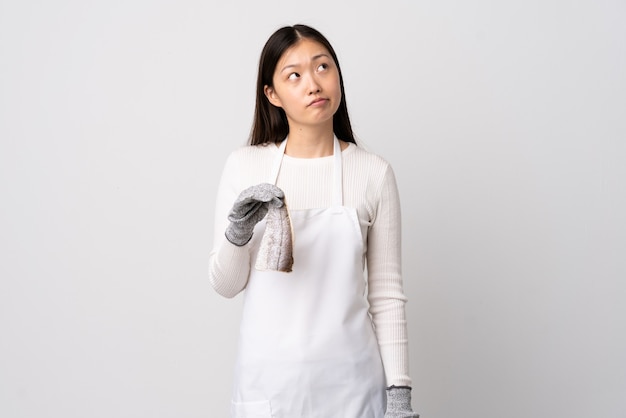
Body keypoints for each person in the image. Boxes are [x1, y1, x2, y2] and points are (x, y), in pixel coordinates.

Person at [209, 24, 419, 418]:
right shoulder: (245, 166)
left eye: (323, 67)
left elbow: (387, 297)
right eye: (294, 75)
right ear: (272, 94)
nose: (313, 83)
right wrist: (237, 231)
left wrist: (399, 395)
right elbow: (226, 284)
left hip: (353, 387)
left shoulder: (372, 173)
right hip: (268, 388)